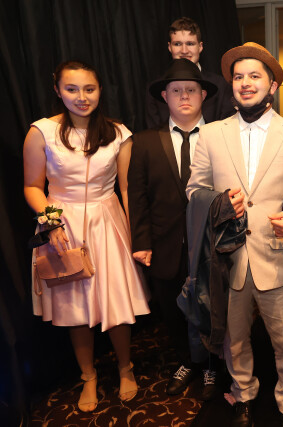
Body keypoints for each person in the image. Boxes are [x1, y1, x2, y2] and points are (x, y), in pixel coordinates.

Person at [186, 42, 283, 427]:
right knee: (234, 339)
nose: (245, 83)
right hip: (228, 260)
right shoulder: (211, 134)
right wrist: (220, 203)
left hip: (278, 257)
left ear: (272, 85)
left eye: (254, 76)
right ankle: (243, 393)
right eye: (238, 77)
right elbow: (194, 190)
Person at [23, 61, 150, 412]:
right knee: (74, 304)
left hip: (108, 220)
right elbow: (32, 186)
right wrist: (51, 222)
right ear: (58, 91)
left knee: (117, 300)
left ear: (100, 91)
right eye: (72, 89)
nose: (82, 97)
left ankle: (125, 368)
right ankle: (88, 376)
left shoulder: (119, 133)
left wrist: (137, 236)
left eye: (89, 89)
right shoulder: (41, 132)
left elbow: (127, 189)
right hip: (61, 224)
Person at [128, 58, 222, 400]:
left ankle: (211, 364)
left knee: (211, 307)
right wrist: (141, 241)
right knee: (172, 309)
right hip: (164, 244)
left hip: (210, 243)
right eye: (177, 90)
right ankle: (186, 361)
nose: (184, 96)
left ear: (203, 95)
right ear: (164, 96)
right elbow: (137, 196)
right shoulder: (144, 142)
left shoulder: (220, 137)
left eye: (191, 90)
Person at [145, 17, 235, 128]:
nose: (184, 51)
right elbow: (153, 134)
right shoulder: (155, 89)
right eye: (177, 44)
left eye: (190, 44)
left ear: (200, 47)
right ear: (169, 47)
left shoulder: (221, 85)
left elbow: (227, 130)